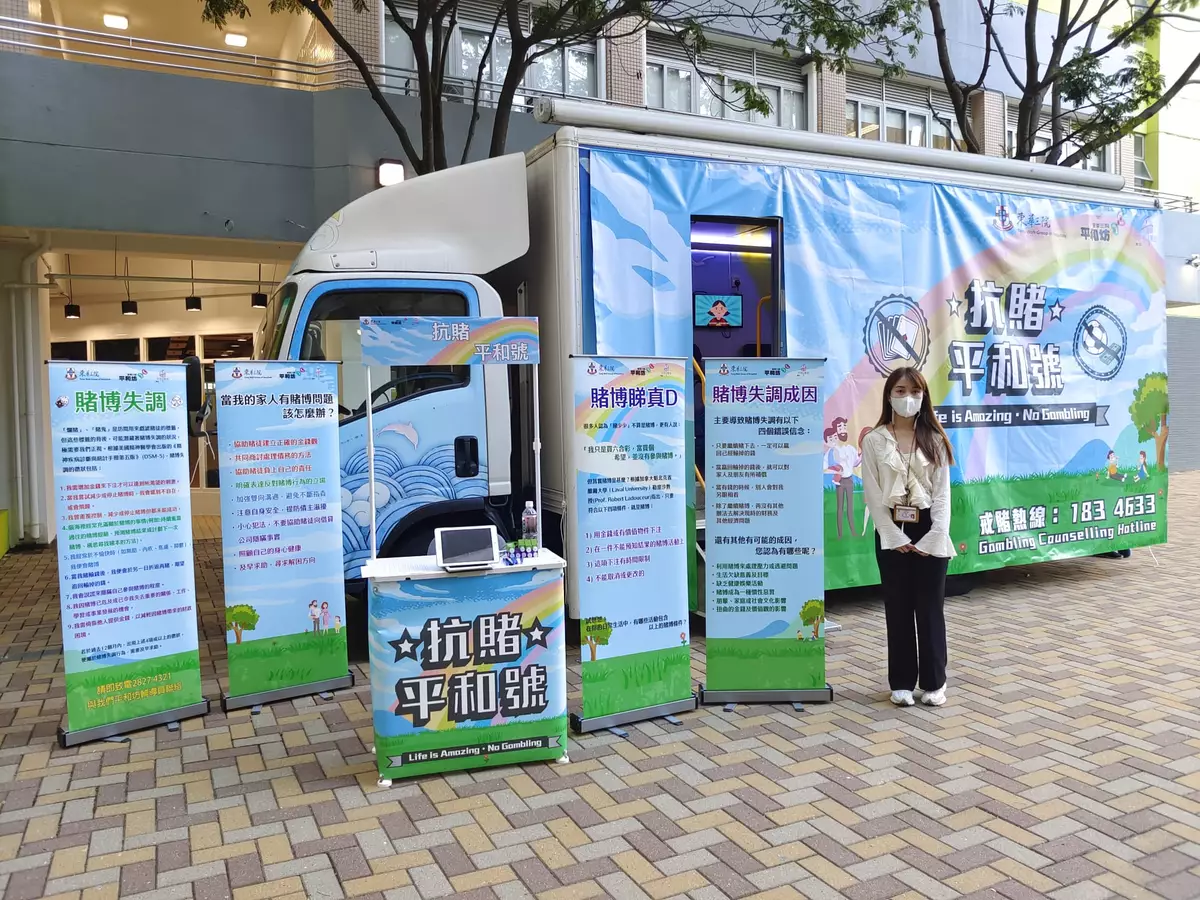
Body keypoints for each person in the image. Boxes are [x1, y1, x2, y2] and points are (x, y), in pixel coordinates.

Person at [860, 367, 956, 708]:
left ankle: (934, 682)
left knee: (930, 609)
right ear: (889, 396)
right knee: (897, 608)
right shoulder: (874, 440)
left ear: (924, 396)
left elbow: (942, 495)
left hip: (929, 526)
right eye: (900, 391)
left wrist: (934, 536)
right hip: (891, 527)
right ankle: (901, 682)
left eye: (914, 392)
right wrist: (890, 534)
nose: (907, 398)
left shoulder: (935, 439)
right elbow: (872, 493)